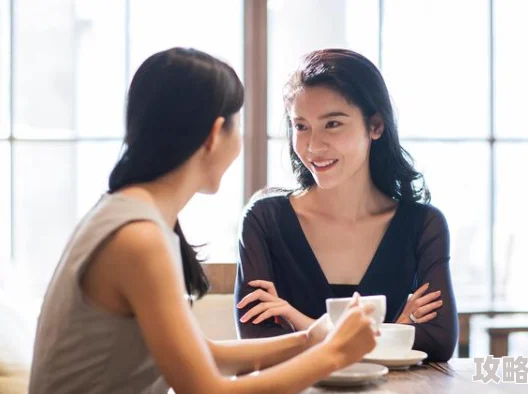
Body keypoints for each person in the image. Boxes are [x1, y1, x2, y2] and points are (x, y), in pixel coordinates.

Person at [28, 47, 378, 394]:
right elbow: (206, 390)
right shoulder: (139, 238)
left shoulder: (128, 212)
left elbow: (203, 354)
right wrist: (333, 354)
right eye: (238, 126)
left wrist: (308, 340)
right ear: (214, 134)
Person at [235, 48, 458, 362]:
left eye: (332, 124)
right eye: (300, 126)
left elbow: (438, 341)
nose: (313, 146)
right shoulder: (264, 220)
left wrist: (298, 321)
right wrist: (397, 328)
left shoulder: (422, 225)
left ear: (375, 126)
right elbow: (257, 341)